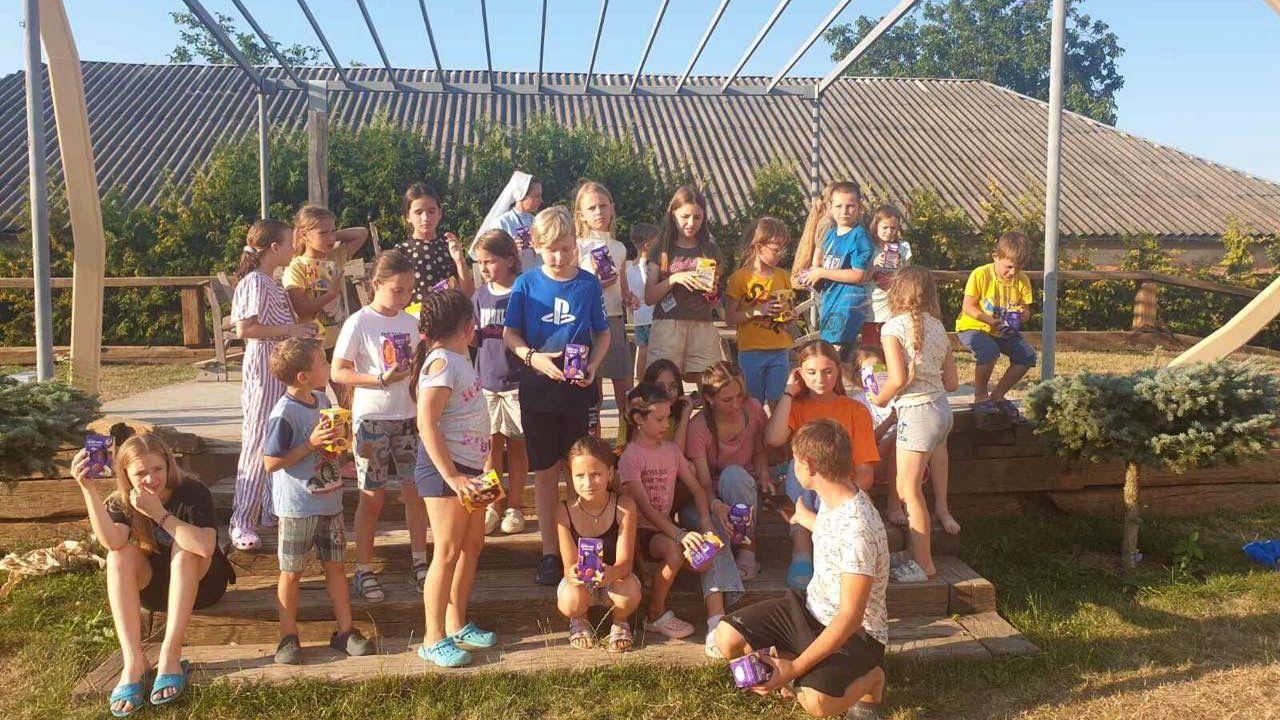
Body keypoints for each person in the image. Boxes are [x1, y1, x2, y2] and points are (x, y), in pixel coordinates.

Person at [716, 419, 889, 720]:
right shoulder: (837, 495)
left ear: (808, 466)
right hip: (811, 608)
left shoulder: (858, 530)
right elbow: (830, 527)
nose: (791, 467)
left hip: (858, 634)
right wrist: (802, 517)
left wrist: (795, 668)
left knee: (816, 704)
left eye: (794, 461)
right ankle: (800, 666)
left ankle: (872, 679)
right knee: (726, 637)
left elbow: (850, 617)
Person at [73, 433, 233, 716]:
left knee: (185, 550)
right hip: (155, 589)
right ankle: (134, 662)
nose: (151, 479)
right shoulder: (122, 501)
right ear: (126, 474)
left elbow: (206, 547)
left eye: (157, 469)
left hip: (203, 584)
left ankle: (170, 656)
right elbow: (112, 541)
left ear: (169, 465)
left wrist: (159, 514)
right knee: (118, 555)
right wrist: (88, 490)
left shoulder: (191, 490)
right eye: (141, 473)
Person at [502, 206, 611, 586]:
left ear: (575, 245)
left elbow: (604, 333)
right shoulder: (525, 284)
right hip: (537, 389)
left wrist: (595, 367)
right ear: (535, 245)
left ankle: (582, 545)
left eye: (566, 248)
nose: (560, 257)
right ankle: (550, 552)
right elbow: (509, 335)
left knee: (578, 472)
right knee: (545, 474)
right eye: (551, 250)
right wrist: (533, 358)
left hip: (577, 392)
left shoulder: (587, 284)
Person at [262, 337, 374, 665]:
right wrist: (310, 445)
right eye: (322, 364)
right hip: (298, 508)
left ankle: (345, 631)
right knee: (292, 572)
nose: (328, 367)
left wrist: (346, 452)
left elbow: (328, 450)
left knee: (336, 568)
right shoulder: (284, 413)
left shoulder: (323, 399)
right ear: (303, 376)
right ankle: (287, 636)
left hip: (330, 504)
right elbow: (270, 461)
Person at [331, 250, 429, 602]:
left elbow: (420, 365)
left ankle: (420, 563)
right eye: (397, 290)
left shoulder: (411, 321)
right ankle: (363, 567)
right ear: (376, 285)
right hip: (372, 418)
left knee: (415, 493)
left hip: (408, 416)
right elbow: (338, 371)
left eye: (408, 290)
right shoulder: (359, 322)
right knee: (372, 496)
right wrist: (379, 379)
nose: (404, 297)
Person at [619, 383, 744, 659]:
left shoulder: (670, 451)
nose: (666, 424)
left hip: (665, 528)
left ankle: (709, 609)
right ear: (639, 419)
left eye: (668, 418)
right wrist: (679, 534)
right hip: (640, 532)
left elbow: (698, 488)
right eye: (660, 419)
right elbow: (646, 510)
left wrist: (705, 523)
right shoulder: (631, 457)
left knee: (706, 555)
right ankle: (655, 613)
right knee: (677, 549)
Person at [411, 289, 498, 667]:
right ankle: (432, 638)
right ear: (466, 326)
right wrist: (452, 474)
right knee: (446, 552)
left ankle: (456, 622)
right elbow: (425, 423)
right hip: (447, 473)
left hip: (472, 471)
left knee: (472, 545)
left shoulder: (458, 357)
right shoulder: (441, 363)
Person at [229, 219, 317, 551]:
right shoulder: (254, 281)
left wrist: (299, 333)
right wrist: (291, 332)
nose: (296, 246)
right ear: (274, 248)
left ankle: (269, 510)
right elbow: (245, 329)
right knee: (256, 442)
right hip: (263, 368)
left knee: (277, 436)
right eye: (290, 242)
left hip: (278, 365)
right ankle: (241, 521)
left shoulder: (270, 281)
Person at [869, 267, 961, 581]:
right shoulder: (939, 327)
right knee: (925, 476)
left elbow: (896, 379)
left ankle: (925, 565)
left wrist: (880, 400)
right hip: (942, 410)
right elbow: (952, 382)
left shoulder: (892, 328)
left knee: (908, 490)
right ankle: (917, 551)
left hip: (917, 413)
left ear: (895, 293)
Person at [765, 341, 879, 592]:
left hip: (841, 490)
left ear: (838, 371)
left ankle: (827, 554)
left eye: (827, 371)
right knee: (799, 465)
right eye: (811, 372)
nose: (820, 379)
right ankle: (802, 551)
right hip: (807, 484)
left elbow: (865, 471)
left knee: (831, 484)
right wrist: (787, 393)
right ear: (799, 374)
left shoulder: (855, 410)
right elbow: (773, 439)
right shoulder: (796, 406)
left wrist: (841, 494)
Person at [555, 436, 642, 653]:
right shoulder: (563, 510)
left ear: (610, 474)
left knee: (628, 591)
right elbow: (568, 567)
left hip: (615, 579)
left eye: (596, 474)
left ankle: (620, 621)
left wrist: (609, 573)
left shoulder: (624, 506)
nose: (588, 483)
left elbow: (625, 565)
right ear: (570, 476)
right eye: (580, 476)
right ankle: (580, 619)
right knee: (570, 599)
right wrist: (574, 574)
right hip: (583, 586)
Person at [685, 362, 769, 580]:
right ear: (710, 399)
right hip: (710, 498)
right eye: (727, 399)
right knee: (709, 538)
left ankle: (747, 550)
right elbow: (703, 483)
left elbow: (760, 451)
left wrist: (764, 473)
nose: (735, 405)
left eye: (739, 397)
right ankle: (723, 603)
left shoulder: (752, 409)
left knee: (734, 475)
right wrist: (715, 504)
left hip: (743, 492)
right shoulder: (699, 428)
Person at [282, 204, 371, 406]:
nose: (331, 238)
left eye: (333, 231)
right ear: (304, 235)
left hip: (338, 341)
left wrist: (327, 231)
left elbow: (361, 233)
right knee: (316, 398)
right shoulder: (296, 267)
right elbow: (302, 309)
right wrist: (330, 295)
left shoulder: (335, 256)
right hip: (312, 344)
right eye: (323, 233)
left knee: (349, 397)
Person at [472, 229, 529, 535]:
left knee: (518, 445)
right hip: (486, 382)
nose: (484, 268)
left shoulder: (523, 290)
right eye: (480, 262)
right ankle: (492, 505)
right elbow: (471, 337)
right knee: (489, 447)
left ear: (509, 259)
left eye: (490, 261)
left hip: (518, 382)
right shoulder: (479, 296)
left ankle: (516, 506)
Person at [644, 185, 725, 384]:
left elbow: (716, 297)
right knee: (663, 382)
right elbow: (649, 297)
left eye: (697, 217)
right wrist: (674, 279)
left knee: (710, 382)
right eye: (685, 216)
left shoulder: (710, 248)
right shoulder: (661, 248)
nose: (691, 223)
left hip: (702, 324)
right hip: (667, 325)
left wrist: (713, 291)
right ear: (673, 215)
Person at [956, 230, 1037, 426]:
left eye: (1017, 269)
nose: (1012, 273)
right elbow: (968, 307)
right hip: (973, 326)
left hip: (1003, 330)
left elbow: (1026, 308)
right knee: (989, 350)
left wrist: (1023, 314)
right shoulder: (981, 274)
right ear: (996, 257)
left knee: (1027, 355)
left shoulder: (1022, 279)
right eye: (1009, 267)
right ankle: (980, 396)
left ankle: (998, 395)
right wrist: (988, 320)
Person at [575, 181, 638, 431]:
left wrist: (630, 299)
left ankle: (626, 447)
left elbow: (622, 291)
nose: (599, 212)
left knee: (625, 391)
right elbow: (570, 290)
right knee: (593, 397)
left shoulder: (620, 247)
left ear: (612, 208)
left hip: (613, 322)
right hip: (587, 325)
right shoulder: (577, 247)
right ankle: (595, 450)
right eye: (592, 208)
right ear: (581, 214)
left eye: (603, 206)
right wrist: (595, 286)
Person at [725, 217, 797, 409]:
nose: (781, 253)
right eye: (776, 249)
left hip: (779, 349)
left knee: (778, 401)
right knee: (752, 403)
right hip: (751, 350)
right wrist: (756, 311)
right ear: (758, 247)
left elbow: (789, 314)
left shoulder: (782, 275)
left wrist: (791, 316)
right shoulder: (740, 278)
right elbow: (730, 318)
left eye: (784, 248)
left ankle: (776, 437)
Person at [796, 181, 872, 362]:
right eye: (838, 206)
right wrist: (811, 276)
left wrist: (821, 272)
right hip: (830, 301)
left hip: (847, 304)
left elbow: (858, 275)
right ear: (829, 206)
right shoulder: (831, 234)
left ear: (859, 207)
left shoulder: (859, 236)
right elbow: (824, 266)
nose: (844, 211)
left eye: (850, 206)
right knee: (835, 357)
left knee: (835, 356)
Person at [397, 182, 474, 303]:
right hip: (418, 319)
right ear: (408, 216)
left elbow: (469, 295)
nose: (425, 218)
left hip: (452, 316)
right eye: (418, 212)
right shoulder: (402, 252)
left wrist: (460, 261)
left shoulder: (448, 245)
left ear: (440, 213)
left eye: (431, 211)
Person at [471, 170, 544, 273]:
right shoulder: (502, 223)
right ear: (521, 195)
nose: (541, 200)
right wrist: (510, 249)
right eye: (536, 196)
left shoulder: (536, 221)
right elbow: (491, 254)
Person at [616, 358, 693, 448]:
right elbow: (621, 453)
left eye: (673, 386)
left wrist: (685, 417)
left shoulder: (679, 416)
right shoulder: (634, 413)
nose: (667, 392)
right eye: (660, 386)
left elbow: (678, 456)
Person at [864, 205, 911, 348]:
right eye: (885, 227)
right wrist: (874, 264)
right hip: (871, 305)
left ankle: (891, 369)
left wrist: (900, 265)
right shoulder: (868, 247)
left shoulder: (902, 247)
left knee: (891, 344)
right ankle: (874, 371)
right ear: (876, 225)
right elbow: (861, 277)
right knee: (872, 347)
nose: (889, 232)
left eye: (893, 228)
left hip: (894, 304)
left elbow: (908, 277)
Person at [627, 223, 659, 381]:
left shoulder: (629, 267)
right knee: (656, 351)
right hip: (653, 315)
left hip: (639, 316)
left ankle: (639, 380)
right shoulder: (648, 267)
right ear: (648, 245)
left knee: (642, 349)